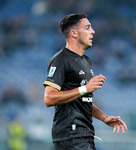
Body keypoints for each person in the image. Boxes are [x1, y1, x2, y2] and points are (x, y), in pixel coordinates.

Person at [43, 13, 128, 150]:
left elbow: (83, 100)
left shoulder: (86, 61)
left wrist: (104, 118)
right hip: (70, 134)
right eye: (87, 27)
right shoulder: (61, 59)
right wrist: (85, 89)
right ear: (74, 33)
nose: (93, 31)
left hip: (84, 135)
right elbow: (49, 98)